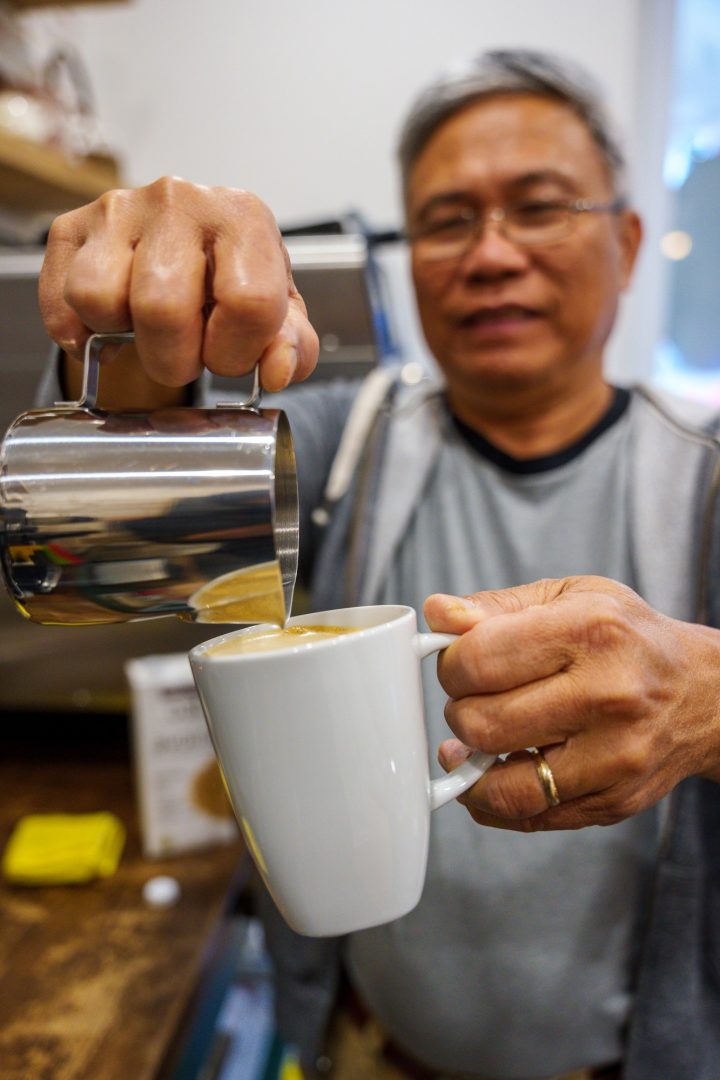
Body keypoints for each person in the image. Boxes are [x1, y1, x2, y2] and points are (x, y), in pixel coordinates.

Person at [36, 49, 720, 1080]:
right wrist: (138, 326)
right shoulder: (342, 443)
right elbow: (91, 534)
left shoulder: (707, 479)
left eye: (539, 207)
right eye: (447, 220)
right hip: (363, 1050)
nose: (490, 255)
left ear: (627, 242)